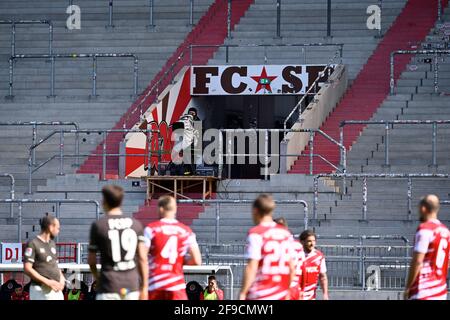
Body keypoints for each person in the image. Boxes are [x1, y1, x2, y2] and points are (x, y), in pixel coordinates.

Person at [88, 185, 148, 300]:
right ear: (121, 201)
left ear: (104, 201)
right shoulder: (135, 224)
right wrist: (144, 287)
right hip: (131, 287)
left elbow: (91, 260)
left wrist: (98, 278)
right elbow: (143, 258)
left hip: (108, 286)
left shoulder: (98, 225)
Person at [144, 195, 202, 300]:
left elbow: (142, 257)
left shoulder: (151, 229)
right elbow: (197, 261)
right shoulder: (186, 231)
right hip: (176, 286)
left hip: (156, 284)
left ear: (160, 209)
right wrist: (181, 261)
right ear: (175, 209)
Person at [239, 194, 295, 300]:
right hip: (280, 293)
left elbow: (252, 267)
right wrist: (287, 291)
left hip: (260, 293)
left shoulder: (256, 233)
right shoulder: (285, 233)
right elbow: (292, 267)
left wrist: (242, 293)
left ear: (255, 211)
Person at [405, 195, 450, 300]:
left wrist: (408, 288)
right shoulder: (446, 232)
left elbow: (417, 261)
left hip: (424, 290)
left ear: (423, 208)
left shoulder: (425, 229)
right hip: (440, 291)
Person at [23, 215, 66, 300]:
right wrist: (48, 282)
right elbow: (27, 268)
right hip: (40, 289)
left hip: (55, 290)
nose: (58, 231)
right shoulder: (33, 243)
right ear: (50, 227)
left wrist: (62, 279)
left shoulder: (52, 244)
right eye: (57, 228)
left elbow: (55, 265)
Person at [274, 217, 305, 301]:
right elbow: (303, 268)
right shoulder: (298, 245)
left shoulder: (281, 245)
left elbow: (290, 268)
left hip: (284, 287)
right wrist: (302, 289)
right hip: (296, 287)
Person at [300, 230, 329, 300]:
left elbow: (323, 277)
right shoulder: (295, 255)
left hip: (311, 297)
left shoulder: (319, 256)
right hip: (296, 295)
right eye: (309, 241)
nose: (312, 243)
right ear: (302, 242)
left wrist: (325, 294)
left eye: (314, 241)